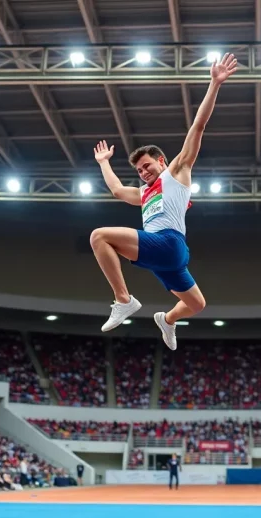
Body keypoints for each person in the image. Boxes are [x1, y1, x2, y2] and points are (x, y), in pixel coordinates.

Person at [90, 53, 239, 350]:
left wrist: (214, 84)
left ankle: (124, 299)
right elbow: (119, 190)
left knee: (98, 236)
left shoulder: (177, 172)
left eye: (147, 165)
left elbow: (197, 127)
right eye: (139, 170)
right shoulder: (144, 193)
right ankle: (168, 320)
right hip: (164, 258)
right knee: (196, 304)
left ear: (161, 160)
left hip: (169, 243)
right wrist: (104, 162)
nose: (143, 172)